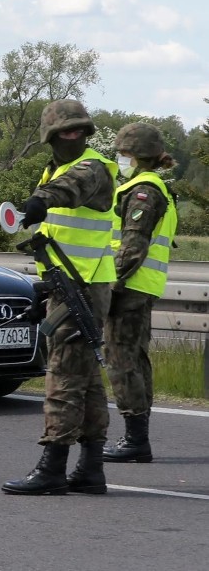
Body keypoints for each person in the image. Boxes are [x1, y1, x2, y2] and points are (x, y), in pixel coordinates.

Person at [2, 99, 117, 495]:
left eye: (79, 129)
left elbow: (70, 190)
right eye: (66, 130)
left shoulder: (91, 167)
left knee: (64, 376)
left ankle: (53, 466)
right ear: (50, 136)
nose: (74, 136)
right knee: (85, 380)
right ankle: (91, 467)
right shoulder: (54, 168)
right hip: (67, 282)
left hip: (84, 285)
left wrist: (40, 200)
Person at [103, 123, 178, 463]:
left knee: (121, 362)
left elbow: (132, 248)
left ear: (136, 156)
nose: (119, 159)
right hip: (142, 286)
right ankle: (138, 438)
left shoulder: (143, 191)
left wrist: (108, 287)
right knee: (135, 360)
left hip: (128, 287)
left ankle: (135, 440)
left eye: (123, 154)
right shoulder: (151, 186)